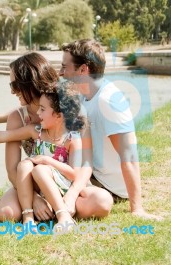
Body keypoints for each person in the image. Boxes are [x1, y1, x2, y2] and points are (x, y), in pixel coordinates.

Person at [0, 82, 86, 229]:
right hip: (34, 187)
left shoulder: (72, 138)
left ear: (59, 116)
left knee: (40, 169)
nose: (38, 114)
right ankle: (27, 217)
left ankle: (63, 217)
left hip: (58, 186)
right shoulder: (36, 131)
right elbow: (4, 136)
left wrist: (46, 160)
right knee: (24, 165)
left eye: (42, 109)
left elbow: (74, 174)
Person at [59, 39, 162, 220]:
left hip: (106, 185)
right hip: (89, 173)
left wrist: (136, 208)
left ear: (83, 70)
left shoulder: (109, 101)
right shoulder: (84, 95)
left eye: (64, 67)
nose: (60, 73)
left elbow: (129, 155)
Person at [0, 52, 59, 222]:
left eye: (15, 86)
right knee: (7, 213)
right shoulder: (18, 118)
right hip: (29, 182)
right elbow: (12, 170)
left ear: (31, 82)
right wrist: (34, 199)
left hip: (59, 180)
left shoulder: (62, 108)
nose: (12, 92)